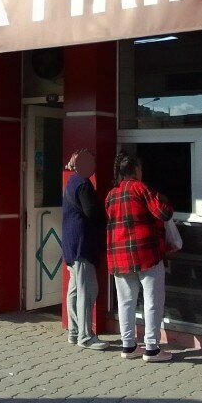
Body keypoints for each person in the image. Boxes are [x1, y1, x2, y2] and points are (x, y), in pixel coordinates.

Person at [105, 152, 174, 362]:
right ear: (136, 170)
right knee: (152, 300)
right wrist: (164, 200)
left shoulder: (111, 195)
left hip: (119, 256)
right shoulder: (140, 188)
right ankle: (152, 349)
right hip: (146, 253)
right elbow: (163, 214)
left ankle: (128, 346)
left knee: (126, 302)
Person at [61, 149, 109, 350]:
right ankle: (85, 336)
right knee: (88, 290)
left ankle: (74, 332)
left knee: (74, 290)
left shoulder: (71, 182)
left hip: (72, 244)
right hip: (82, 245)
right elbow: (92, 212)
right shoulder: (82, 184)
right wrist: (106, 219)